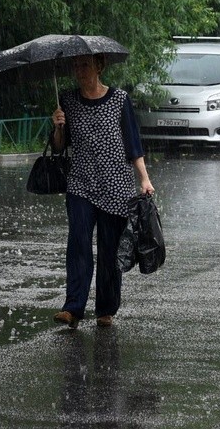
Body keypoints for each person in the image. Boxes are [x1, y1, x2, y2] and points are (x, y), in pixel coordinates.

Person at [50, 54, 155, 329]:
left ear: (99, 67)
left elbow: (133, 142)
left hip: (116, 186)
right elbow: (60, 147)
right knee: (78, 245)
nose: (79, 70)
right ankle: (73, 307)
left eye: (85, 65)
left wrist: (143, 178)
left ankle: (106, 309)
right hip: (81, 184)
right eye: (76, 66)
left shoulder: (119, 100)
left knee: (110, 249)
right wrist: (58, 127)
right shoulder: (68, 101)